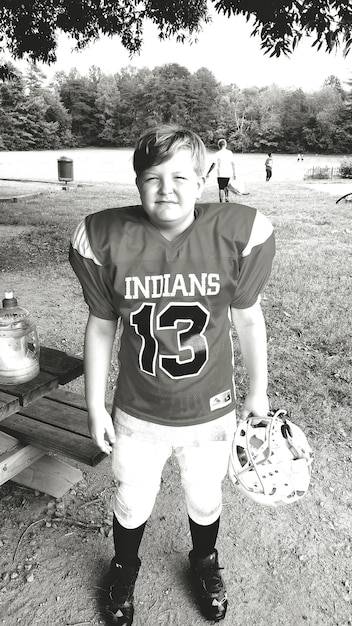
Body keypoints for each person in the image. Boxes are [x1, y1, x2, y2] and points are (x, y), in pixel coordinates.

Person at [69, 125, 275, 625]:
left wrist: (259, 391)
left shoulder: (237, 233)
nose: (167, 188)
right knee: (132, 496)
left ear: (204, 179)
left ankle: (204, 559)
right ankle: (125, 566)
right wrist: (95, 405)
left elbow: (248, 317)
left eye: (181, 175)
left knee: (205, 496)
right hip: (139, 410)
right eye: (153, 176)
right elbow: (101, 328)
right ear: (137, 181)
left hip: (210, 409)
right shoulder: (103, 238)